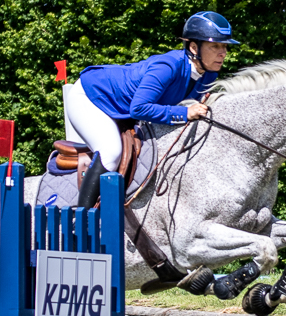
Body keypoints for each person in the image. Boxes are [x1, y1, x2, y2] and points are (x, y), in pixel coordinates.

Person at [65, 11, 240, 206]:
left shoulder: (209, 74)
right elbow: (139, 109)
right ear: (193, 47)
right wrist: (185, 113)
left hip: (121, 108)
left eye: (225, 46)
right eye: (215, 46)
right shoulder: (167, 66)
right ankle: (82, 217)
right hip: (91, 97)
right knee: (111, 153)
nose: (223, 53)